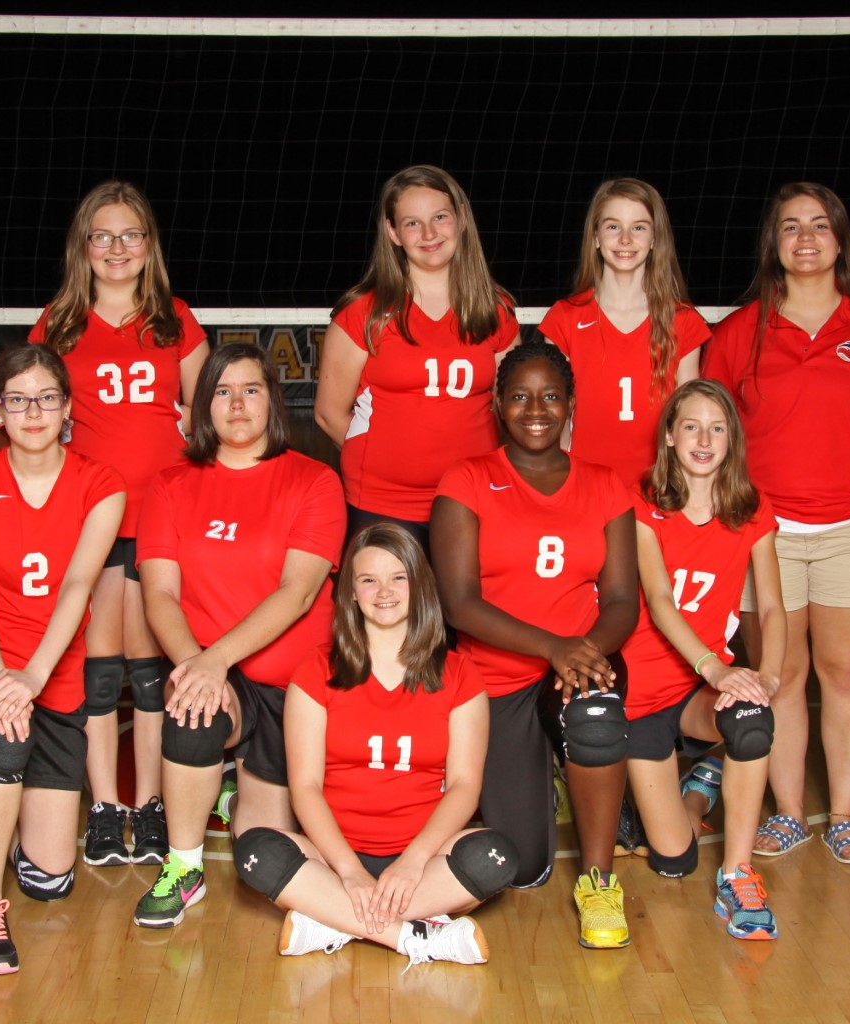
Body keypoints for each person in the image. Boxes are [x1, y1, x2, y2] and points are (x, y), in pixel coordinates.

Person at [703, 183, 850, 865]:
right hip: (764, 535)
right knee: (781, 676)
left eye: (819, 225)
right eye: (791, 226)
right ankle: (791, 813)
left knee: (847, 672)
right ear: (773, 241)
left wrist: (849, 477)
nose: (805, 238)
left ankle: (847, 816)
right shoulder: (741, 332)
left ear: (839, 240)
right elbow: (716, 431)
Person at [232, 523, 518, 969]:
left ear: (419, 586)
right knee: (254, 850)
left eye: (398, 577)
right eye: (368, 579)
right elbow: (304, 786)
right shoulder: (314, 672)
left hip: (423, 858)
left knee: (496, 857)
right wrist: (348, 872)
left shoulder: (460, 675)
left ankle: (328, 921)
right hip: (332, 856)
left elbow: (464, 785)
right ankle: (415, 937)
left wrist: (412, 861)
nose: (384, 591)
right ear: (350, 592)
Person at [431, 338, 640, 949]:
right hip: (496, 675)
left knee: (596, 715)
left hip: (579, 664)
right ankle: (553, 776)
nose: (536, 409)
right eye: (520, 396)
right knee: (522, 869)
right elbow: (459, 603)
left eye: (551, 396)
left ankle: (599, 882)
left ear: (571, 404)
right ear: (498, 404)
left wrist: (582, 655)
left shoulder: (604, 484)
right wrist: (554, 647)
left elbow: (623, 599)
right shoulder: (468, 479)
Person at [134, 342, 346, 928]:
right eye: (222, 392)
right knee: (189, 711)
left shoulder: (314, 481)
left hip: (292, 685)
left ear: (272, 401)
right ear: (202, 407)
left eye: (250, 390)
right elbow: (159, 594)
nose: (236, 404)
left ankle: (236, 796)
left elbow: (298, 592)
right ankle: (184, 864)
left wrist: (216, 660)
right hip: (211, 673)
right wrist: (198, 667)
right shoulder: (172, 485)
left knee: (263, 861)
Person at [31, 181, 208, 868]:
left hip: (162, 518)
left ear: (148, 246)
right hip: (91, 520)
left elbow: (207, 417)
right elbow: (33, 415)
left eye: (129, 235)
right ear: (83, 246)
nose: (115, 248)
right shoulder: (58, 324)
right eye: (101, 236)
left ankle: (151, 805)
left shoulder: (175, 321)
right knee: (99, 673)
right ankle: (106, 804)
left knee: (151, 670)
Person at [0, 346, 124, 976]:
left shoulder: (101, 484)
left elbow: (76, 588)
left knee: (51, 880)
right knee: (4, 729)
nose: (33, 410)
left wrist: (34, 677)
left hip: (54, 677)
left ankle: (4, 825)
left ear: (67, 406)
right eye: (16, 399)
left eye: (46, 397)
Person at [622, 379, 785, 940]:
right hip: (640, 694)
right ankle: (700, 785)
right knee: (674, 860)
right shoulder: (642, 501)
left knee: (751, 721)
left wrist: (770, 676)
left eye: (717, 428)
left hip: (694, 694)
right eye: (690, 425)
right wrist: (714, 666)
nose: (703, 438)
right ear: (670, 436)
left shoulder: (750, 509)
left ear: (731, 440)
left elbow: (771, 605)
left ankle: (738, 875)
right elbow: (662, 600)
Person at [314, 164, 519, 548]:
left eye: (440, 217)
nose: (428, 234)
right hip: (382, 504)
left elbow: (512, 409)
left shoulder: (495, 310)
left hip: (473, 499)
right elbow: (328, 414)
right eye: (412, 223)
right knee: (388, 607)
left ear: (460, 220)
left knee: (466, 609)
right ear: (393, 232)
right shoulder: (364, 312)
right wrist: (384, 466)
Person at [540, 178, 709, 489]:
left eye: (639, 228)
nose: (626, 239)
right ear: (595, 236)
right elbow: (557, 418)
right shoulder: (565, 318)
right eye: (613, 227)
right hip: (586, 485)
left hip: (658, 487)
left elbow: (691, 416)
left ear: (656, 238)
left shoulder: (683, 321)